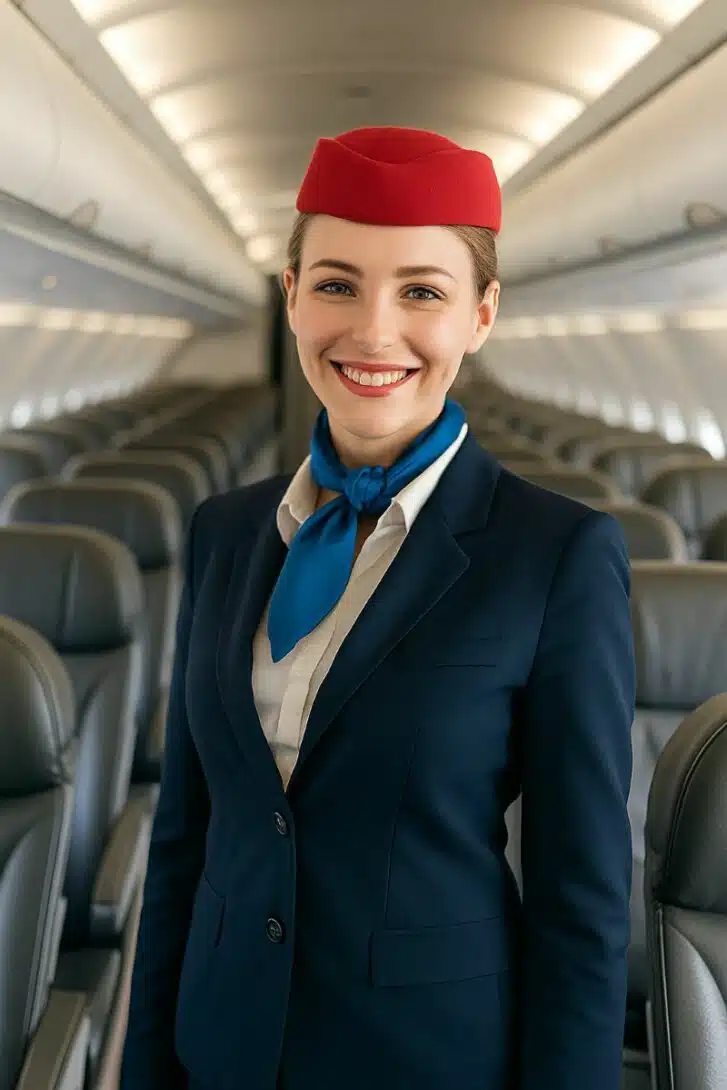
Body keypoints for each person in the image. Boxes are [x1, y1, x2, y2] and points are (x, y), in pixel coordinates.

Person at [120, 126, 635, 1090]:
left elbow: (582, 900)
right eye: (336, 284)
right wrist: (148, 1066)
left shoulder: (555, 555)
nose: (371, 332)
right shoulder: (226, 531)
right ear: (290, 297)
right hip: (220, 1047)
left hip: (424, 1057)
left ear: (481, 314)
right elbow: (188, 837)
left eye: (422, 292)